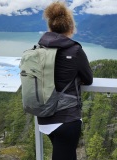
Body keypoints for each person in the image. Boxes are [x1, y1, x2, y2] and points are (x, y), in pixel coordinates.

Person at [36, 1, 93, 160]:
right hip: (67, 119)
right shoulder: (75, 50)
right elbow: (88, 79)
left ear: (50, 28)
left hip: (44, 117)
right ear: (71, 28)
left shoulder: (40, 48)